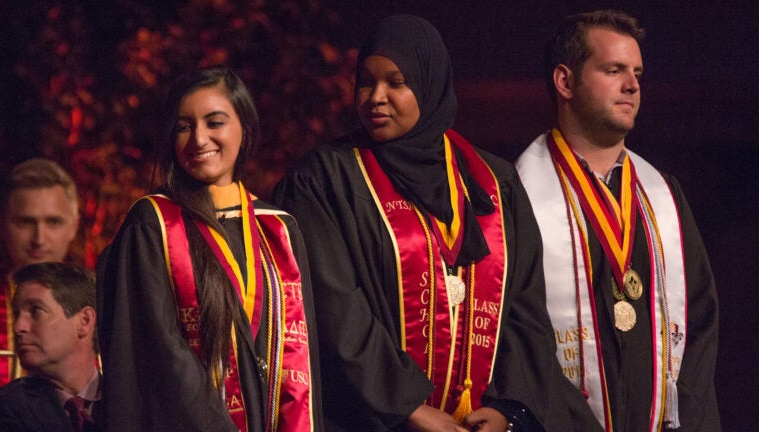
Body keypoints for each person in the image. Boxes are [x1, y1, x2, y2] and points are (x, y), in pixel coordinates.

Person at [274, 15, 598, 432]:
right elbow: (337, 311)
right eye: (367, 82)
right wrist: (410, 408)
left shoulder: (493, 183)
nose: (376, 97)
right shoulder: (326, 180)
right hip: (371, 420)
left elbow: (525, 308)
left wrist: (508, 407)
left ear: (430, 84)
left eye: (397, 82)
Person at [515, 10, 720, 431]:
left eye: (637, 73)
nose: (633, 85)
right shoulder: (516, 193)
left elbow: (699, 325)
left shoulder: (662, 195)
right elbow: (518, 334)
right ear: (565, 82)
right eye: (614, 70)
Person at [96, 66, 321, 431]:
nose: (199, 139)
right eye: (184, 127)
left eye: (214, 123)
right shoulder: (154, 224)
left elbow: (303, 360)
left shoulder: (278, 228)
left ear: (244, 129)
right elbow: (160, 353)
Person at [0, 158, 80, 389]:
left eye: (53, 222)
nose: (39, 239)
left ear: (73, 226)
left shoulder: (104, 306)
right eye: (25, 222)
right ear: (2, 225)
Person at [0, 262, 100, 432]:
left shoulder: (133, 402)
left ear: (84, 321)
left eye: (36, 311)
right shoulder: (2, 407)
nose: (18, 326)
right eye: (17, 313)